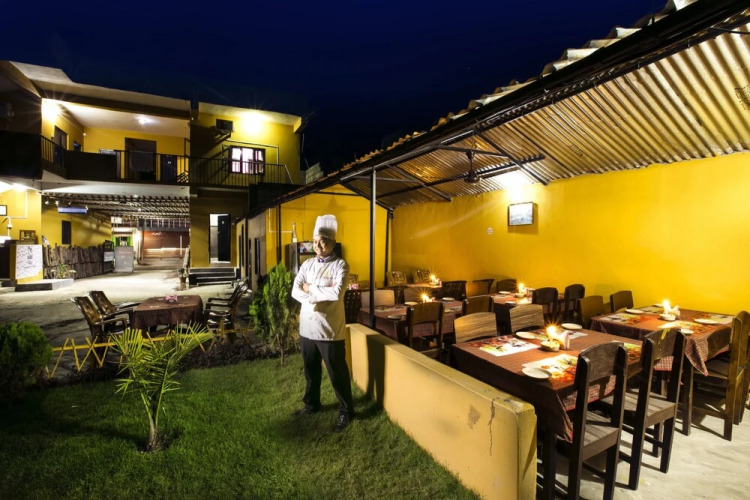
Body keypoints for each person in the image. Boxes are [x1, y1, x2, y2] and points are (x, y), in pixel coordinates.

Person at [291, 214, 354, 432]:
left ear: (333, 243)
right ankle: (312, 405)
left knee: (337, 373)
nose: (318, 245)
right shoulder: (307, 264)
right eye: (315, 241)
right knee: (311, 371)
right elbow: (295, 290)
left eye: (323, 241)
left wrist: (310, 289)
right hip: (307, 328)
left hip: (329, 330)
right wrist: (317, 294)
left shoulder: (341, 266)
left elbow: (336, 293)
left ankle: (346, 411)